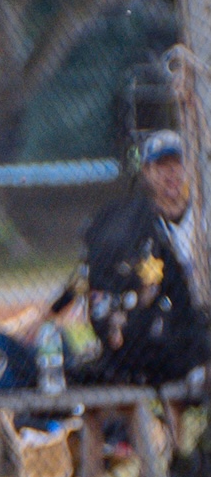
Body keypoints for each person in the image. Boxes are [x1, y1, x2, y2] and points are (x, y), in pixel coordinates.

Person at [23, 129, 205, 388]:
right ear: (147, 173)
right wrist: (44, 316)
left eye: (177, 164)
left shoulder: (202, 219)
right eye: (162, 166)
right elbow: (86, 277)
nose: (171, 174)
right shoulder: (133, 227)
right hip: (156, 328)